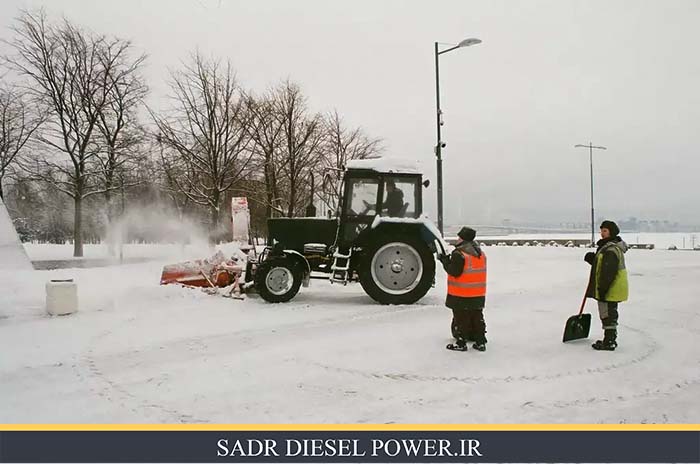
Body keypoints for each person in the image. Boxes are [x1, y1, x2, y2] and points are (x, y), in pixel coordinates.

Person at [440, 226, 488, 352]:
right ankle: (480, 342)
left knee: (461, 318)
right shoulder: (480, 253)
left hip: (461, 293)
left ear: (463, 239)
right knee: (477, 317)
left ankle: (461, 343)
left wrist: (444, 261)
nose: (457, 239)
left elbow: (454, 272)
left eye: (459, 237)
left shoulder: (459, 254)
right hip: (478, 293)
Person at [584, 220, 629, 351]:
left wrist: (603, 289)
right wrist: (593, 259)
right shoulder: (608, 247)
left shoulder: (611, 249)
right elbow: (603, 266)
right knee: (609, 313)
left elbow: (608, 271)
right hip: (611, 287)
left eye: (605, 231)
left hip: (610, 287)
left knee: (607, 314)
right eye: (601, 230)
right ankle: (609, 339)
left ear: (611, 232)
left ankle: (609, 341)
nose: (602, 233)